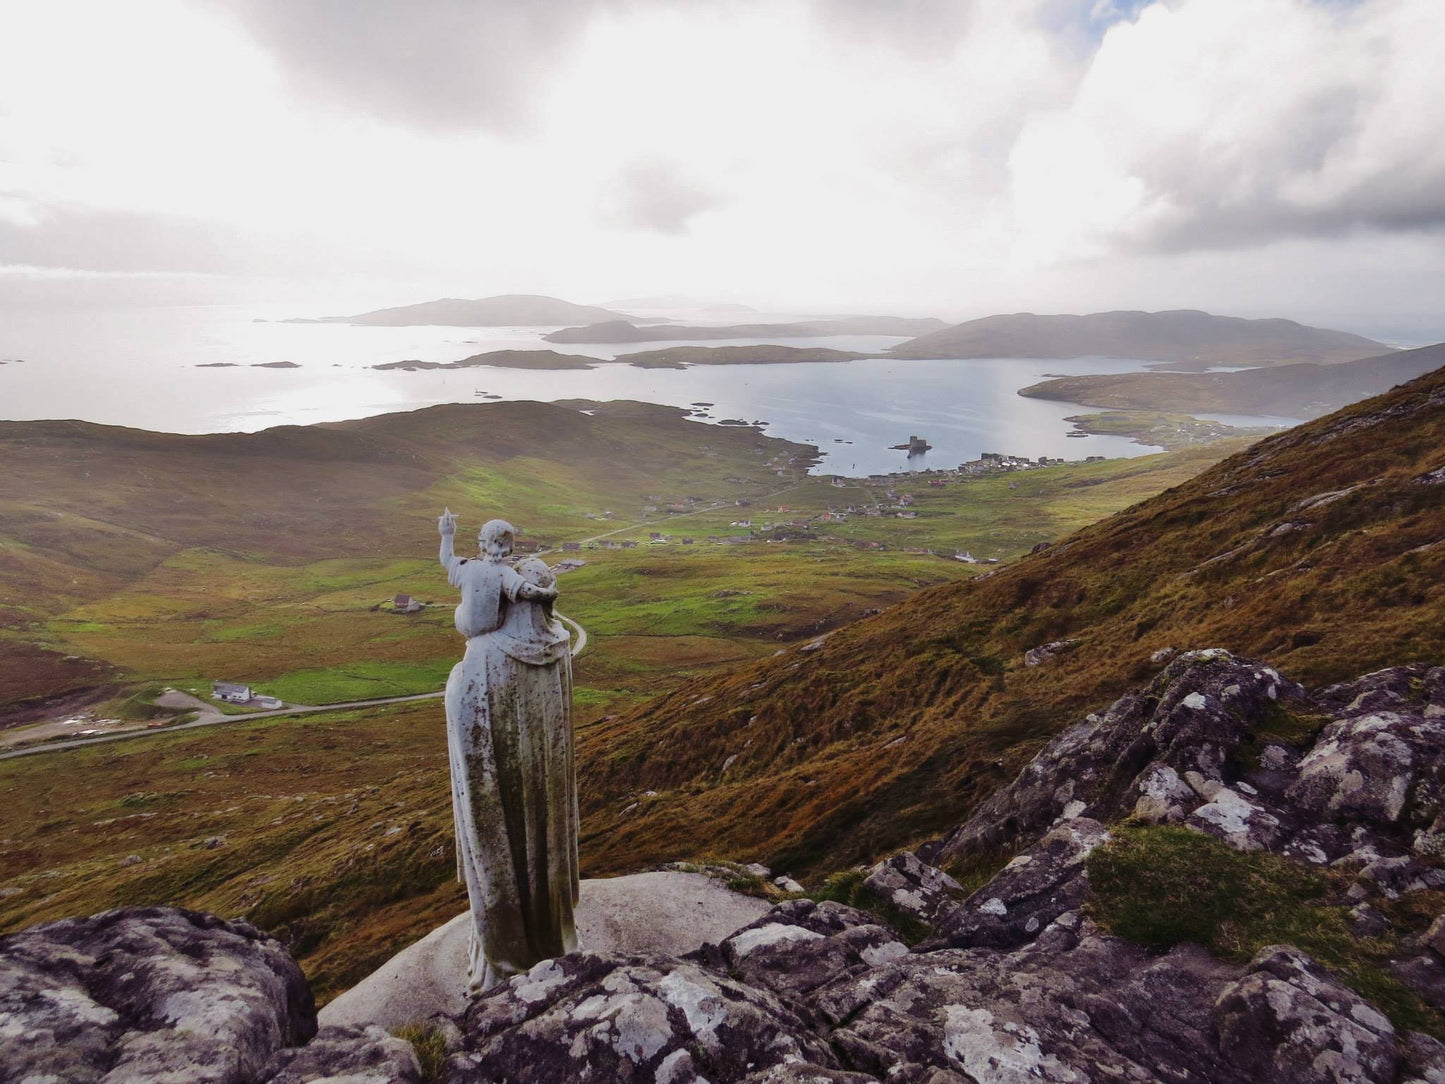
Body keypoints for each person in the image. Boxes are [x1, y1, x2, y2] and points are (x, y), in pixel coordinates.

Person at [438, 509, 579, 993]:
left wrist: (454, 685)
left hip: (500, 797)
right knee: (542, 841)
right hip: (545, 800)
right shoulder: (560, 649)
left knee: (501, 842)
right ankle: (552, 935)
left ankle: (504, 952)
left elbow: (469, 735)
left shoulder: (484, 654)